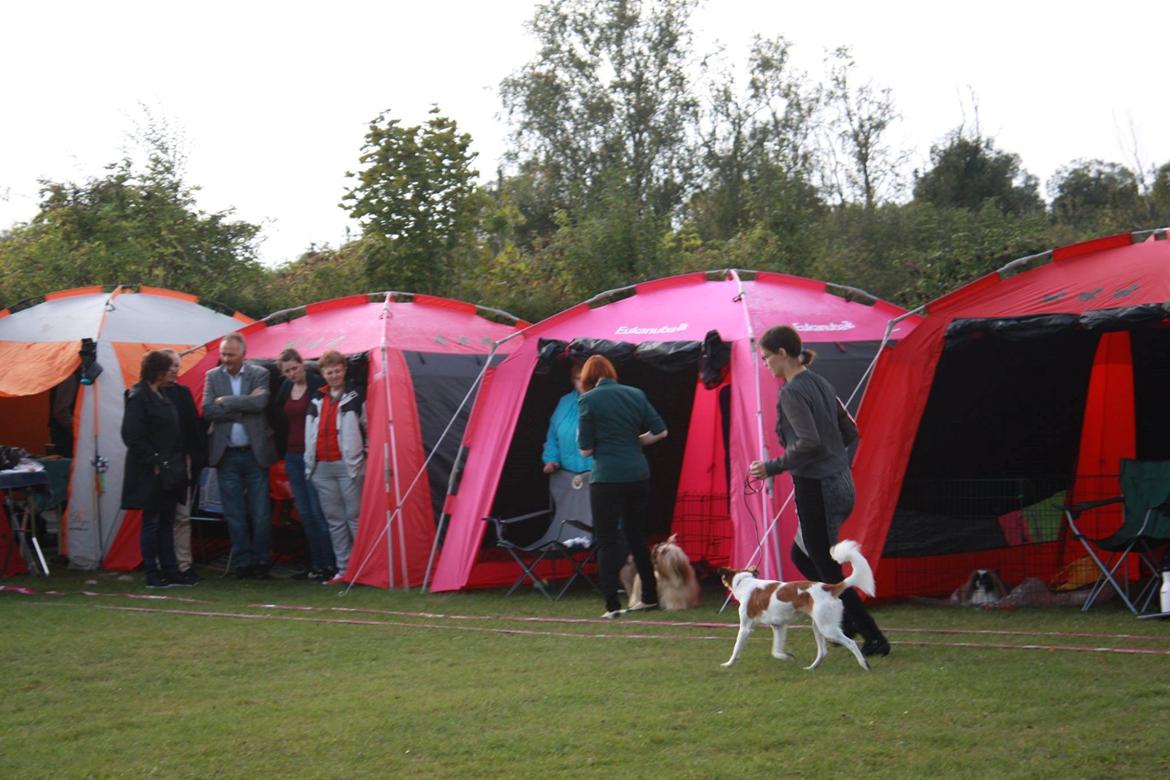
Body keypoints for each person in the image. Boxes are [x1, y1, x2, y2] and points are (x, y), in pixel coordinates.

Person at [749, 324, 891, 658]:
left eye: (768, 357)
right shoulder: (821, 383)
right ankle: (850, 622)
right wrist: (830, 456)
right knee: (802, 555)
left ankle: (873, 636)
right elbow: (850, 431)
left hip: (818, 488)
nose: (765, 364)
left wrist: (772, 466)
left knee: (826, 568)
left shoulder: (792, 391)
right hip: (842, 483)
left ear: (783, 353)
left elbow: (809, 442)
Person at [577, 354, 668, 619]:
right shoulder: (636, 394)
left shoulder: (588, 400)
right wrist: (632, 442)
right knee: (636, 536)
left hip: (607, 478)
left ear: (588, 379)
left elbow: (585, 450)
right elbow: (661, 432)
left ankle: (612, 605)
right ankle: (649, 597)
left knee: (606, 541)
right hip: (638, 475)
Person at [203, 333, 277, 579]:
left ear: (243, 355)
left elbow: (261, 404)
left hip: (255, 454)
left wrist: (227, 402)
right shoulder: (212, 377)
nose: (225, 359)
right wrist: (242, 406)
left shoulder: (259, 374)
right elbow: (208, 410)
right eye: (223, 354)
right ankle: (243, 562)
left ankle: (263, 559)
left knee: (261, 513)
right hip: (227, 456)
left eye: (230, 355)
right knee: (234, 513)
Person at [121, 351, 196, 588]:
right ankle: (152, 572)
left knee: (167, 520)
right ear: (157, 371)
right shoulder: (138, 396)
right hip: (151, 470)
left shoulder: (164, 394)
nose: (174, 372)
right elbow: (132, 435)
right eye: (169, 368)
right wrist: (154, 460)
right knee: (152, 521)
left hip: (169, 467)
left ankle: (171, 570)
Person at [274, 349, 337, 581]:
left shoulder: (317, 384)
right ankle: (316, 564)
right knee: (305, 513)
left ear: (302, 364)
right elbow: (278, 416)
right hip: (292, 456)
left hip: (314, 456)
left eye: (294, 368)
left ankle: (331, 563)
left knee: (319, 511)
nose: (292, 374)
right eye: (287, 371)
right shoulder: (284, 390)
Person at [304, 351, 366, 583]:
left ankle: (362, 567)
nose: (334, 375)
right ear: (323, 374)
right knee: (335, 520)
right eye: (329, 372)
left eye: (337, 370)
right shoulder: (316, 398)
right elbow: (309, 431)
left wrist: (364, 456)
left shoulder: (356, 395)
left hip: (349, 464)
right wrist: (309, 463)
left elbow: (368, 425)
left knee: (355, 517)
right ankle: (344, 569)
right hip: (321, 466)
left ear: (344, 369)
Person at [160, 349, 207, 581]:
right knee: (161, 516)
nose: (173, 371)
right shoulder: (146, 393)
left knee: (182, 515)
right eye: (170, 367)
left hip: (181, 463)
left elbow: (193, 429)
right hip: (158, 465)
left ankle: (184, 564)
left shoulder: (183, 394)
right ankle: (162, 564)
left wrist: (195, 460)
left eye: (176, 367)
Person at [542, 362, 593, 477]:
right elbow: (552, 436)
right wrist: (551, 459)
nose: (583, 383)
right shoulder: (564, 402)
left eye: (587, 378)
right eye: (579, 379)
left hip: (599, 476)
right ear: (573, 381)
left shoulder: (607, 401)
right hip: (566, 476)